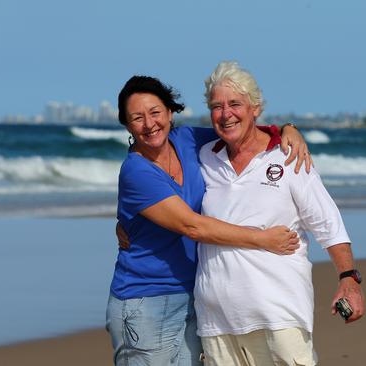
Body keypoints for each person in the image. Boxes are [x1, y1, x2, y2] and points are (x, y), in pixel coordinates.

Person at [106, 75, 313, 366]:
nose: (149, 124)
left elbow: (238, 129)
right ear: (127, 125)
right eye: (137, 118)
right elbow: (192, 226)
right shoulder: (136, 172)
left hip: (194, 296)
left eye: (155, 112)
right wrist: (262, 239)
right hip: (145, 302)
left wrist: (286, 129)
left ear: (169, 112)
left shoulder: (188, 140)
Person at [194, 61, 365, 365]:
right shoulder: (206, 157)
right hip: (216, 318)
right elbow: (156, 151)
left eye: (235, 104)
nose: (225, 113)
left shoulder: (288, 156)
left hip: (279, 313)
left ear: (255, 107)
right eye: (216, 106)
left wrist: (348, 279)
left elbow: (328, 223)